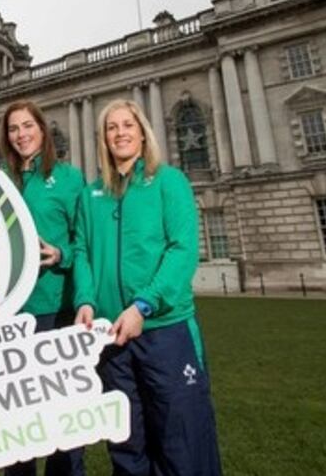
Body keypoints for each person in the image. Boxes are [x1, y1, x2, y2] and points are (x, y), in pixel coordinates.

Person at [72, 99, 222, 476]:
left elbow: (182, 250)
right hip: (111, 338)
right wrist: (86, 300)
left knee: (181, 439)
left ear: (142, 132)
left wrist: (143, 306)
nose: (120, 132)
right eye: (111, 127)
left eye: (127, 125)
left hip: (164, 330)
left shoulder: (169, 181)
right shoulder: (91, 195)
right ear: (103, 138)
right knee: (127, 444)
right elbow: (82, 251)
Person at [0, 101, 86, 476]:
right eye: (14, 129)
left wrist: (61, 253)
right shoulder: (1, 182)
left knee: (64, 420)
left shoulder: (69, 179)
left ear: (42, 129)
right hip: (10, 315)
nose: (21, 134)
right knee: (18, 425)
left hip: (58, 308)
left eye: (27, 126)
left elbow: (85, 243)